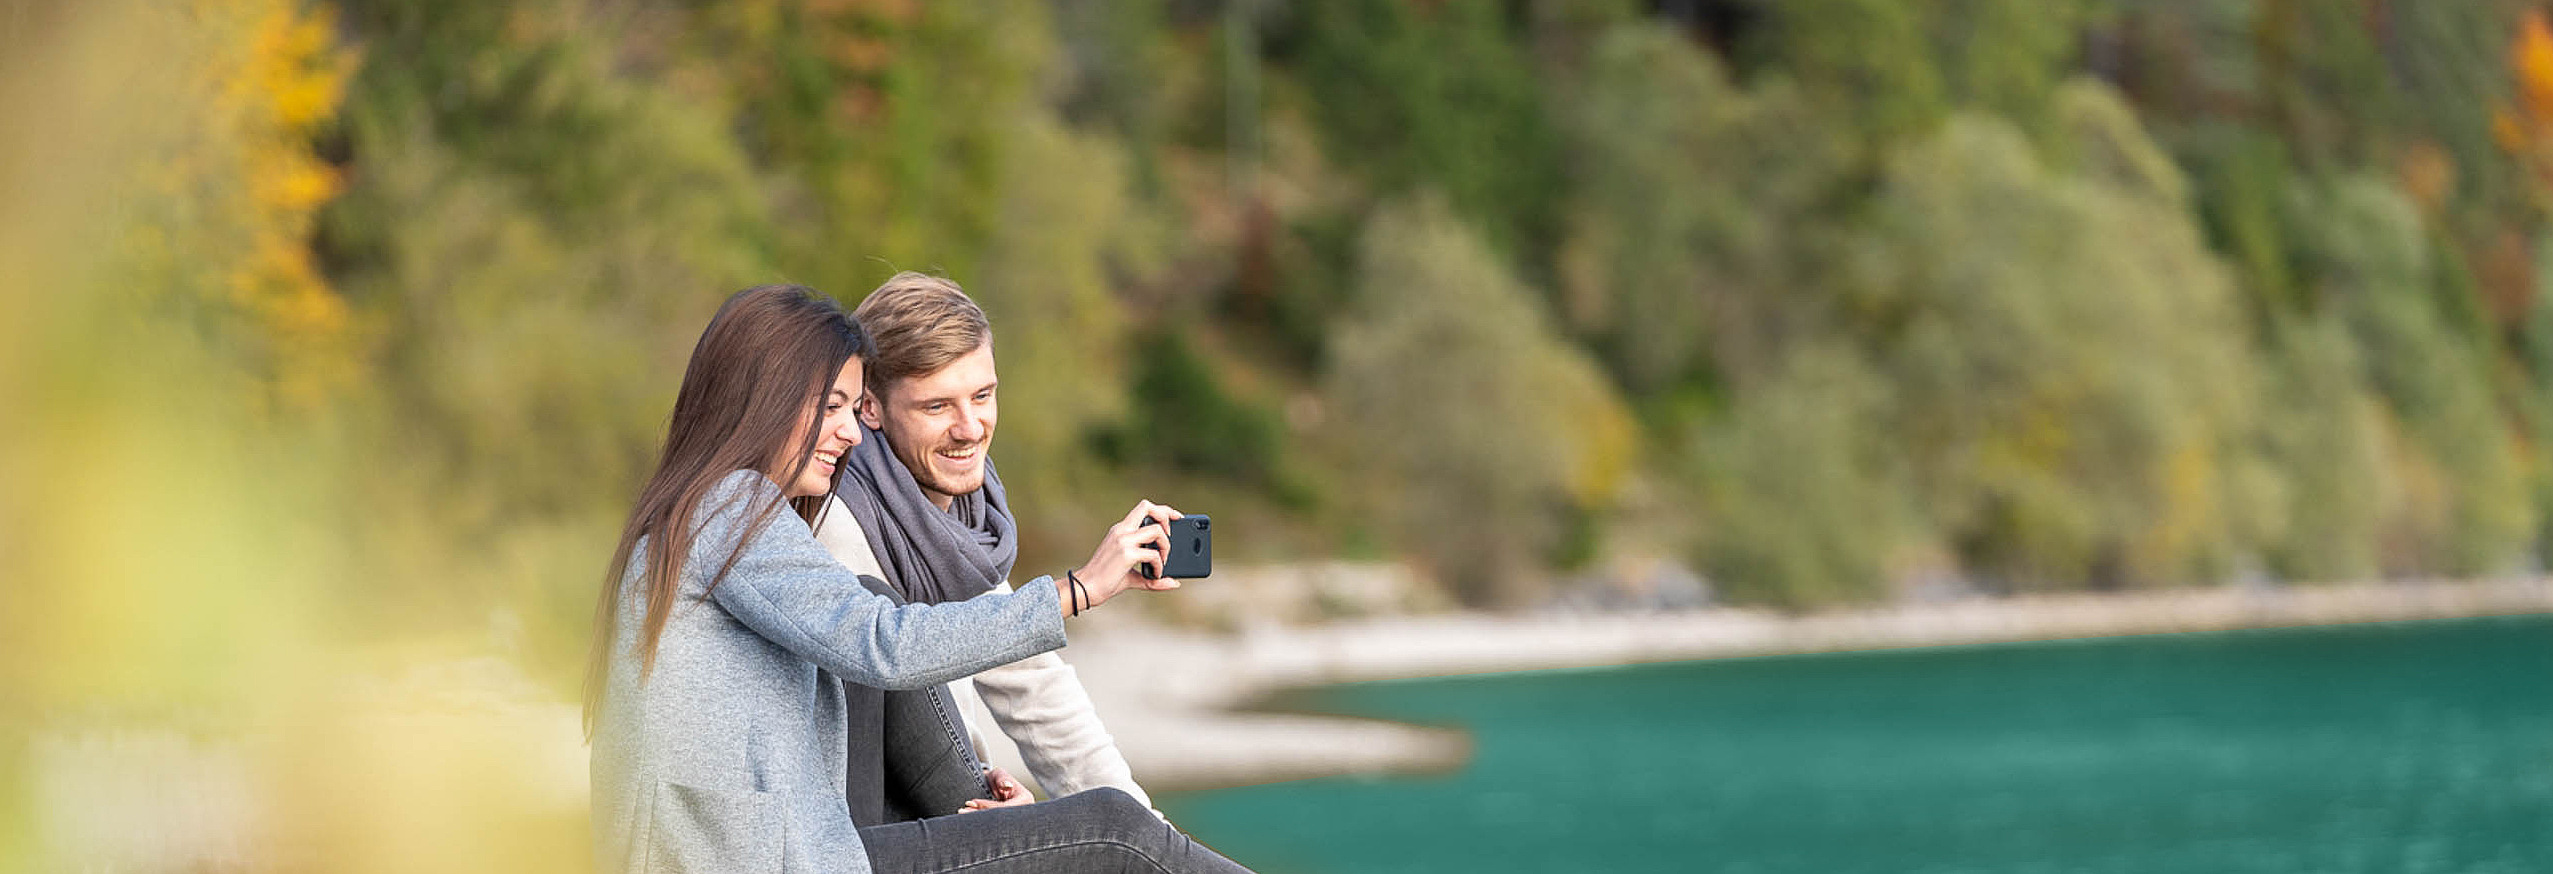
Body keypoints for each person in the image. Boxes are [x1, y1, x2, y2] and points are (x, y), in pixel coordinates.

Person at [586, 284, 1249, 874]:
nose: (848, 433)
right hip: (758, 856)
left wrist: (1006, 822)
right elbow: (884, 644)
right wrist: (1078, 590)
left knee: (1109, 831)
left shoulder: (722, 512)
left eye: (851, 407)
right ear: (765, 400)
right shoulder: (732, 508)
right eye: (832, 406)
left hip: (806, 843)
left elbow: (1013, 685)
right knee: (1114, 831)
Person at [815, 272, 1155, 818]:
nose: (970, 427)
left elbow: (1038, 692)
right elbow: (886, 693)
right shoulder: (838, 526)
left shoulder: (960, 528)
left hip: (952, 803)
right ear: (870, 407)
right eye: (937, 407)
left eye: (982, 395)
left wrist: (1146, 828)